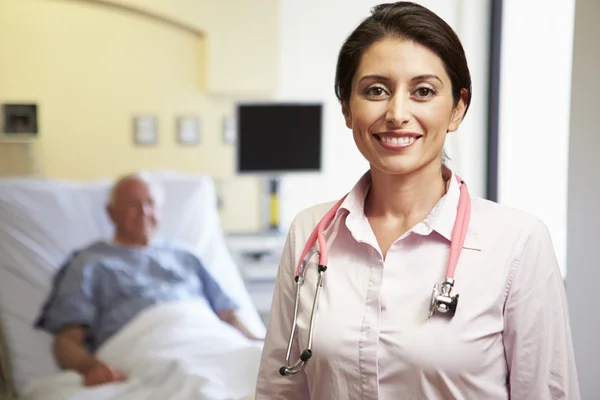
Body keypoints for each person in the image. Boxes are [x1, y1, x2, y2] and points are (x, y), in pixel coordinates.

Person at [255, 2, 580, 399]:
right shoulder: (311, 233)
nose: (397, 113)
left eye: (423, 91)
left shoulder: (518, 243)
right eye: (376, 90)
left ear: (457, 108)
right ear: (346, 107)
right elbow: (279, 389)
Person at [35, 172, 260, 387]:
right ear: (111, 212)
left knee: (265, 366)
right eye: (133, 204)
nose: (143, 211)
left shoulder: (185, 256)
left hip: (207, 334)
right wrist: (92, 367)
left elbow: (228, 315)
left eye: (150, 203)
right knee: (195, 378)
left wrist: (257, 342)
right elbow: (67, 340)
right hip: (146, 344)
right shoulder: (89, 263)